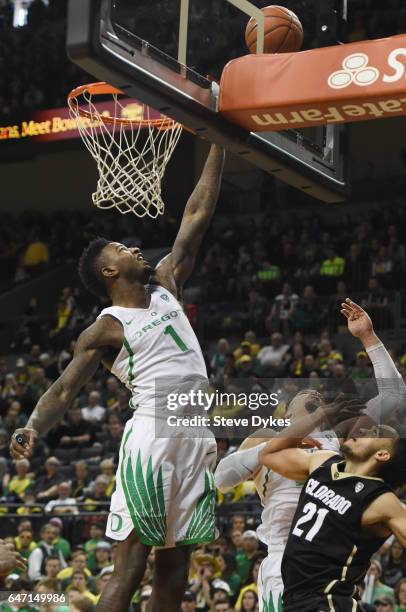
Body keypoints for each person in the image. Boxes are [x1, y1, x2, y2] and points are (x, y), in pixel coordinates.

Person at [10, 144, 225, 612]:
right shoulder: (106, 326)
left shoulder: (167, 283)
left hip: (193, 430)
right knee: (131, 567)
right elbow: (65, 388)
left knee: (175, 573)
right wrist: (32, 424)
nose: (133, 247)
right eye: (121, 249)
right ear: (110, 270)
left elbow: (197, 214)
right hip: (153, 432)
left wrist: (218, 142)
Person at [215, 299, 406, 612]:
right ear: (288, 412)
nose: (316, 397)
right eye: (307, 401)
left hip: (332, 562)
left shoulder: (340, 438)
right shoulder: (267, 437)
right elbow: (222, 479)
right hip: (283, 559)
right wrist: (276, 446)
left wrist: (368, 338)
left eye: (320, 400)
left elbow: (394, 394)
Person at [258, 405, 406, 610]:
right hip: (295, 600)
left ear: (382, 454)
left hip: (329, 602)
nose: (363, 430)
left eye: (375, 433)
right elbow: (269, 454)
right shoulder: (324, 462)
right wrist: (319, 416)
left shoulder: (381, 499)